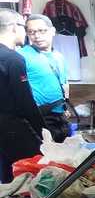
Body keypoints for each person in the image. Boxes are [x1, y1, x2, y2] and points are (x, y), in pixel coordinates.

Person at [0, 9, 44, 183]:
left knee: (7, 174)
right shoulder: (13, 59)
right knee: (29, 175)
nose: (25, 32)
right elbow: (25, 101)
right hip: (13, 127)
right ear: (12, 28)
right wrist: (41, 130)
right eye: (23, 27)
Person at [20, 14, 70, 142]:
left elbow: (64, 83)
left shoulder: (59, 56)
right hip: (40, 118)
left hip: (60, 115)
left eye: (41, 31)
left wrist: (66, 106)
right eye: (31, 32)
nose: (36, 36)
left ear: (52, 31)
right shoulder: (22, 56)